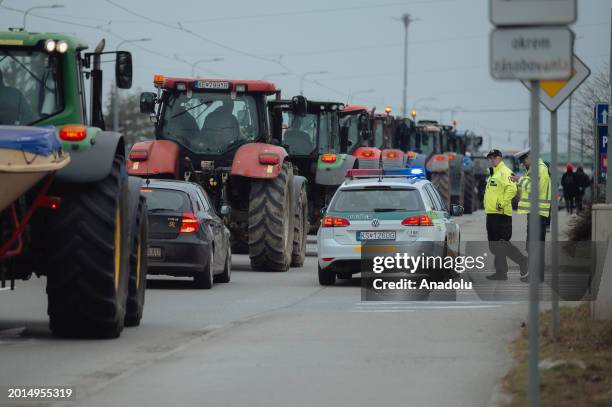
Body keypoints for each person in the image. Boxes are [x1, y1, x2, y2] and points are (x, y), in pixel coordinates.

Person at [483, 149, 527, 280]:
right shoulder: (494, 173)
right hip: (491, 214)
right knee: (495, 246)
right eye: (490, 158)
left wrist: (501, 203)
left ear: (500, 158)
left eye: (494, 157)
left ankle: (523, 261)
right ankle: (501, 272)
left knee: (502, 244)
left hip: (501, 214)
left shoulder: (505, 172)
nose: (492, 160)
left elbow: (512, 189)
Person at [512, 148, 551, 282]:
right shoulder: (535, 169)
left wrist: (520, 180)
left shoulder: (539, 169)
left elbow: (535, 187)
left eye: (524, 160)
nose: (523, 164)